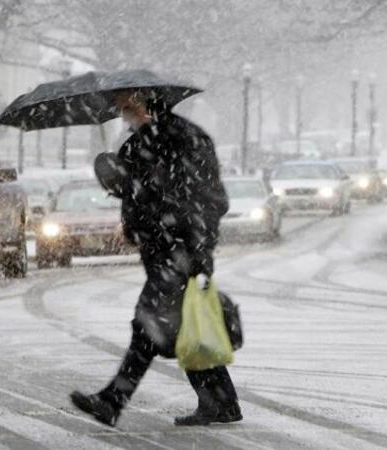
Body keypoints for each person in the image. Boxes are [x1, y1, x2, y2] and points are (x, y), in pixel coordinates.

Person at [70, 89, 242, 426]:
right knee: (182, 326)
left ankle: (112, 400)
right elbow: (130, 189)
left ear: (149, 104)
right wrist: (113, 176)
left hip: (180, 252)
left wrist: (194, 246)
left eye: (129, 107)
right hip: (161, 250)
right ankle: (222, 403)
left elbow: (211, 200)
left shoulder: (186, 139)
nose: (124, 115)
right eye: (121, 109)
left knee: (146, 325)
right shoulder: (138, 143)